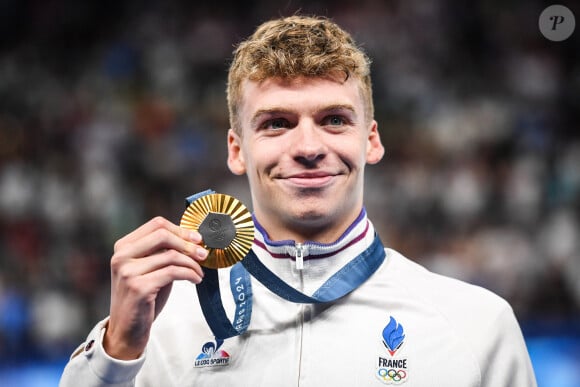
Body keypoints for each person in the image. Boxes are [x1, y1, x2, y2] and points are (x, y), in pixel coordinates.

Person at [60, 15, 537, 386]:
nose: (308, 148)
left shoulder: (476, 326)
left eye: (333, 119)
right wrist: (118, 350)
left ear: (370, 140)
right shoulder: (158, 328)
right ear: (236, 150)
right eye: (276, 123)